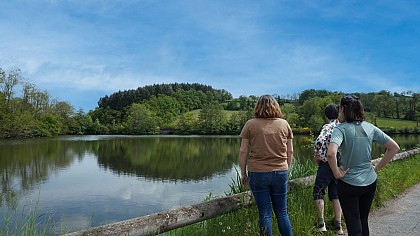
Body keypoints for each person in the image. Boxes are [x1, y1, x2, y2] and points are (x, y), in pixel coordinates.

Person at [327, 95, 400, 236]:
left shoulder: (340, 129)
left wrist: (337, 173)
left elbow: (331, 154)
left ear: (342, 109)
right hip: (370, 182)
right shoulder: (370, 127)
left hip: (348, 183)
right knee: (363, 219)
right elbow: (394, 148)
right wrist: (376, 168)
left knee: (353, 222)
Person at [239, 95, 293, 236]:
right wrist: (286, 168)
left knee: (264, 212)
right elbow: (290, 151)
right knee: (282, 212)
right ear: (276, 107)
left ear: (258, 107)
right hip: (281, 171)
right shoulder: (284, 124)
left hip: (257, 172)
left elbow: (243, 150)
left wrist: (243, 173)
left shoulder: (250, 124)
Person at [313, 104, 343, 234]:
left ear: (326, 115)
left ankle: (321, 224)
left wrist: (318, 156)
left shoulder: (328, 127)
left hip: (327, 164)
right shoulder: (342, 127)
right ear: (339, 114)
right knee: (335, 194)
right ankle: (338, 226)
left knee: (318, 192)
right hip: (340, 163)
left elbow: (319, 141)